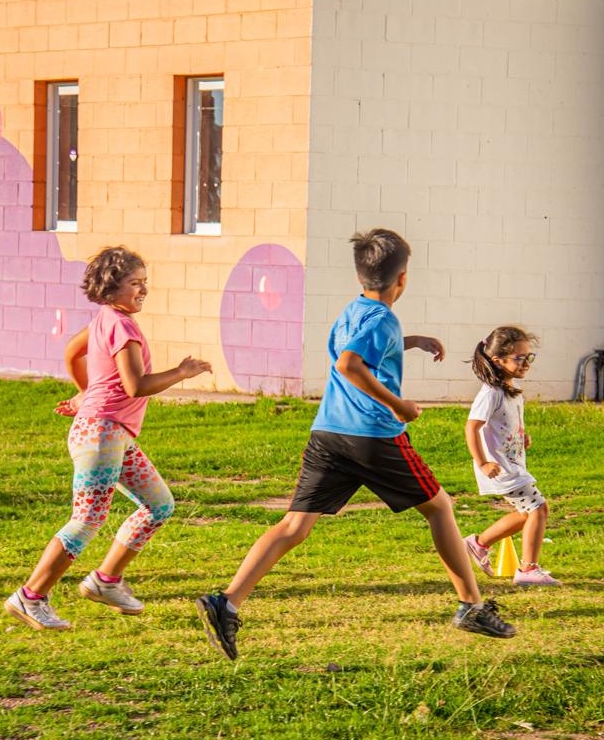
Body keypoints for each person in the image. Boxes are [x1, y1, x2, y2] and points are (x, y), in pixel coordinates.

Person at [196, 229, 516, 660]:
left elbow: (351, 350)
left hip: (328, 433)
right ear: (402, 278)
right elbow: (349, 363)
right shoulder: (384, 319)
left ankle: (227, 602)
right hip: (372, 437)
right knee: (440, 508)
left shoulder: (354, 310)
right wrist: (398, 405)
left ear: (360, 275)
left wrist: (409, 342)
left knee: (294, 527)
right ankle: (471, 607)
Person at [4, 246, 212, 631]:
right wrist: (181, 372)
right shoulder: (123, 327)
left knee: (158, 505)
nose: (143, 290)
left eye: (145, 282)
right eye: (135, 283)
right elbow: (136, 386)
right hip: (101, 434)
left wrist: (86, 393)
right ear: (110, 287)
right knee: (86, 520)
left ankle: (105, 581)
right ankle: (30, 597)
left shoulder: (105, 319)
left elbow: (72, 353)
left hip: (112, 434)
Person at [463, 326, 560, 586]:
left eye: (529, 357)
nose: (526, 363)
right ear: (498, 361)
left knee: (527, 513)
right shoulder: (491, 392)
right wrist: (483, 462)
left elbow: (506, 422)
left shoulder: (510, 389)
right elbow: (472, 427)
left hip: (513, 463)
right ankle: (527, 570)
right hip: (501, 467)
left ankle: (477, 544)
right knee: (538, 508)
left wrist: (521, 436)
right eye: (519, 358)